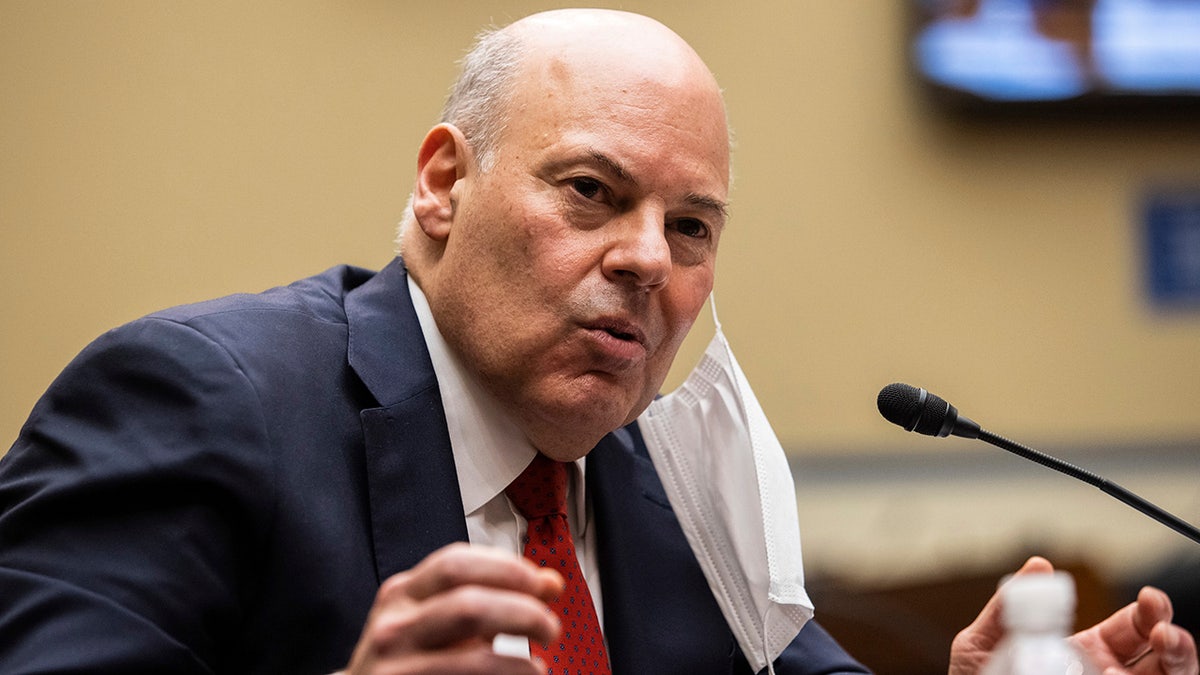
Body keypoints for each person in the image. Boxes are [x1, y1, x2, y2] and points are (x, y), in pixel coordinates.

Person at [0, 8, 1194, 675]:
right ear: (442, 185)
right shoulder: (198, 398)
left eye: (691, 227)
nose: (647, 261)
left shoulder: (673, 472)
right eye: (588, 192)